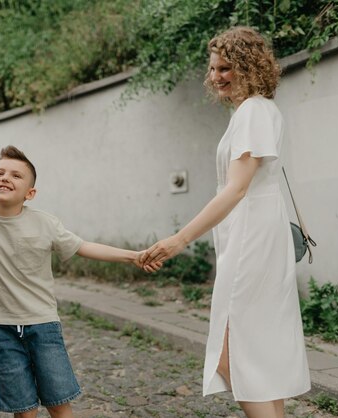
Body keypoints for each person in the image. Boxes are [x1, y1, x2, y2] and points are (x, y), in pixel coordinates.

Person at [0, 145, 161, 418]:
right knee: (23, 409)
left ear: (30, 193)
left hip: (43, 325)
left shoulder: (45, 223)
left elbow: (83, 246)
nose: (5, 178)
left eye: (15, 176)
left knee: (59, 403)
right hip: (2, 329)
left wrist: (133, 257)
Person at [140, 27, 310, 418]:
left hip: (252, 237)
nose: (216, 76)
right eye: (213, 67)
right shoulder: (258, 111)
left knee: (234, 357)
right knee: (259, 355)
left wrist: (179, 240)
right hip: (255, 233)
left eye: (226, 67)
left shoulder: (252, 111)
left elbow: (235, 191)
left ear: (249, 67)